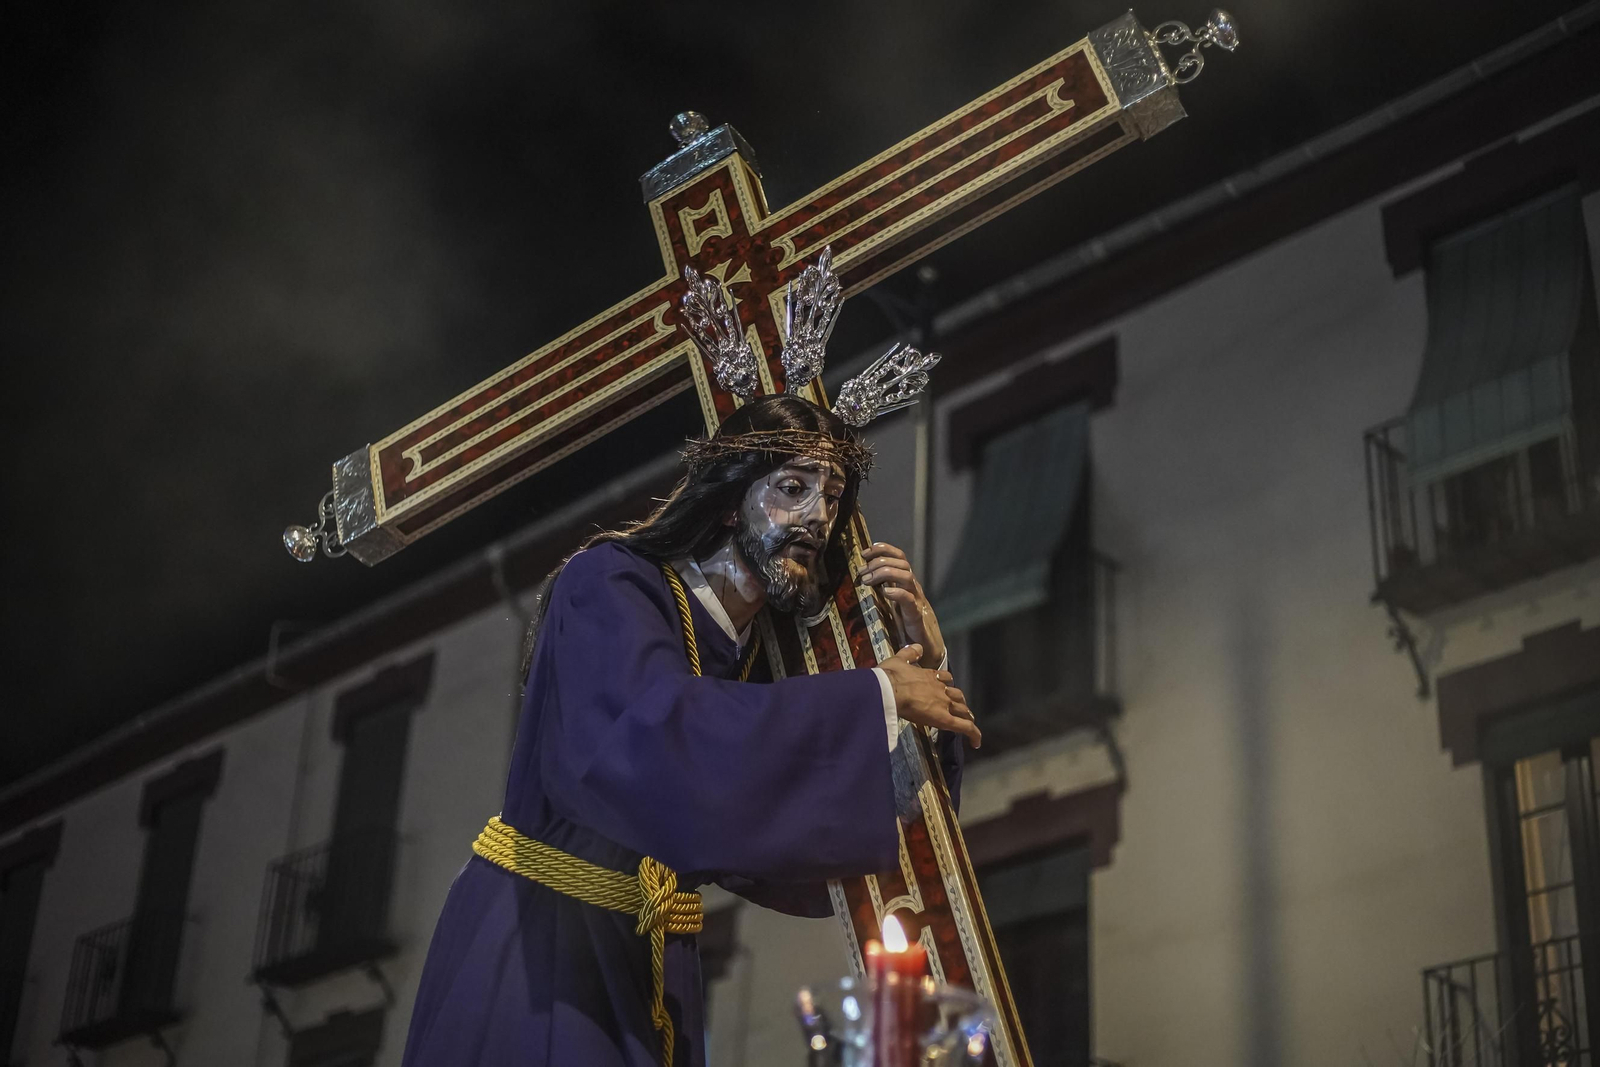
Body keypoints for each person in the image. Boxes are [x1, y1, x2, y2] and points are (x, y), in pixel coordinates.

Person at [399, 393, 980, 1067]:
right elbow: (654, 745)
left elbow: (821, 843)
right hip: (542, 950)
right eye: (792, 487)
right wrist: (877, 693)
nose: (818, 519)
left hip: (653, 965)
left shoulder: (754, 654)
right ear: (730, 500)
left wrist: (921, 672)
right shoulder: (609, 583)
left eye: (832, 497)